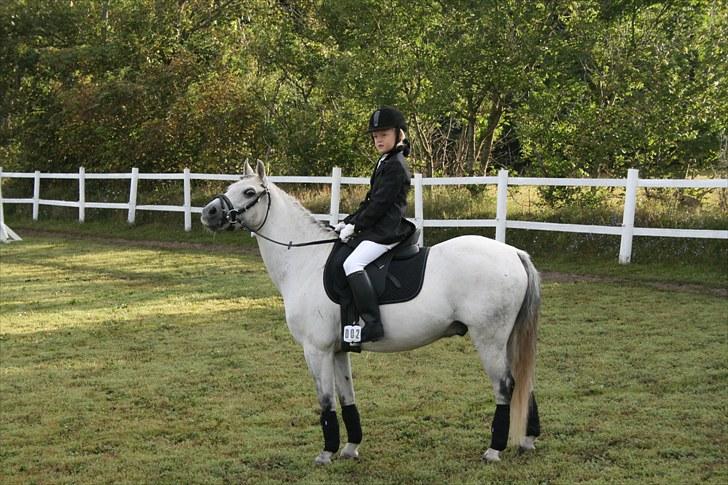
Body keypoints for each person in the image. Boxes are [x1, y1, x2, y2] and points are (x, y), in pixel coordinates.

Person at [334, 106, 416, 343]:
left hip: (388, 230)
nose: (378, 139)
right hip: (378, 226)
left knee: (352, 263)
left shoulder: (395, 165)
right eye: (375, 135)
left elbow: (379, 206)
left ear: (399, 134)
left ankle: (372, 323)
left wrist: (356, 227)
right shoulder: (385, 161)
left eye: (384, 134)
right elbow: (369, 200)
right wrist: (347, 221)